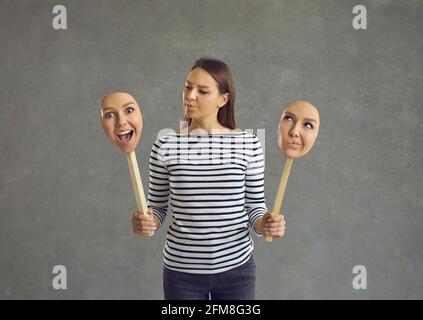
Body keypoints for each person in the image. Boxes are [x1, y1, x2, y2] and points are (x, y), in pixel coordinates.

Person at [131, 58, 285, 300]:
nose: (190, 96)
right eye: (187, 87)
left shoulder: (249, 144)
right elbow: (158, 207)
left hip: (237, 270)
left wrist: (264, 223)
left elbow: (255, 206)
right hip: (181, 273)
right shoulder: (166, 144)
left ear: (223, 99)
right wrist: (146, 221)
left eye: (202, 91)